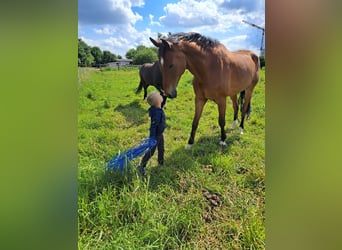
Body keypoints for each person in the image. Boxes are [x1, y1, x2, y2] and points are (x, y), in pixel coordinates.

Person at [138, 92, 166, 176]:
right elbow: (153, 126)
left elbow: (162, 101)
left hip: (160, 134)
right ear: (158, 101)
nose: (161, 96)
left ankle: (161, 162)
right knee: (151, 151)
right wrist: (152, 137)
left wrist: (165, 95)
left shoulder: (157, 107)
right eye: (159, 96)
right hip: (156, 135)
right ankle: (142, 166)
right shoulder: (156, 113)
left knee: (161, 148)